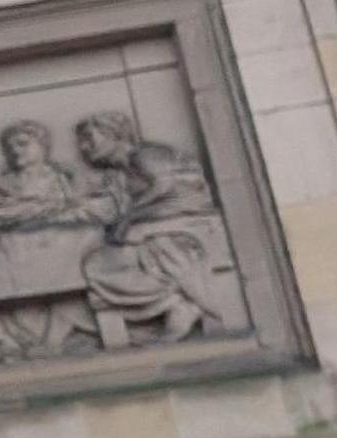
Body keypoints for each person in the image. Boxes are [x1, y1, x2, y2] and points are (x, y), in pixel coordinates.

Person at [76, 111, 226, 342]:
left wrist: (129, 217)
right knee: (98, 263)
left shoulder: (144, 154)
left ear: (112, 134)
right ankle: (175, 302)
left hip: (182, 216)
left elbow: (165, 185)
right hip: (159, 219)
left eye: (89, 137)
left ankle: (184, 302)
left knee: (123, 251)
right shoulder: (119, 174)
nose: (84, 147)